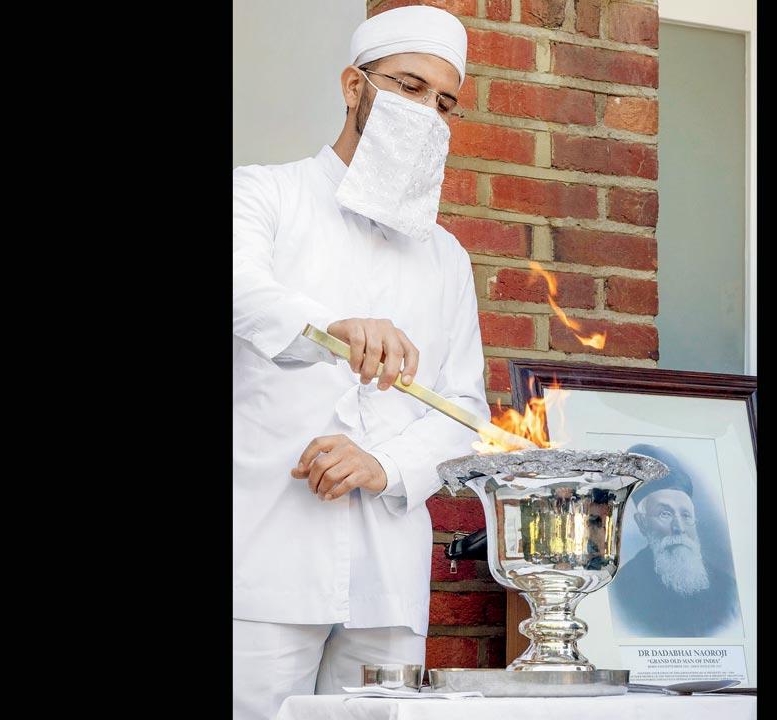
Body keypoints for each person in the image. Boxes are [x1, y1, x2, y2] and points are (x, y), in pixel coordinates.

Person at [232, 7, 486, 719]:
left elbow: (464, 409)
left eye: (443, 102)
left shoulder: (447, 258)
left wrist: (386, 466)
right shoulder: (262, 193)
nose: (427, 113)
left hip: (388, 579)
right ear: (353, 85)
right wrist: (329, 329)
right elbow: (241, 291)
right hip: (263, 562)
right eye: (408, 87)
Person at [609, 444, 742, 638]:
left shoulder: (727, 588)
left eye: (686, 515)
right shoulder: (622, 589)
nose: (679, 527)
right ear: (642, 523)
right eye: (665, 514)